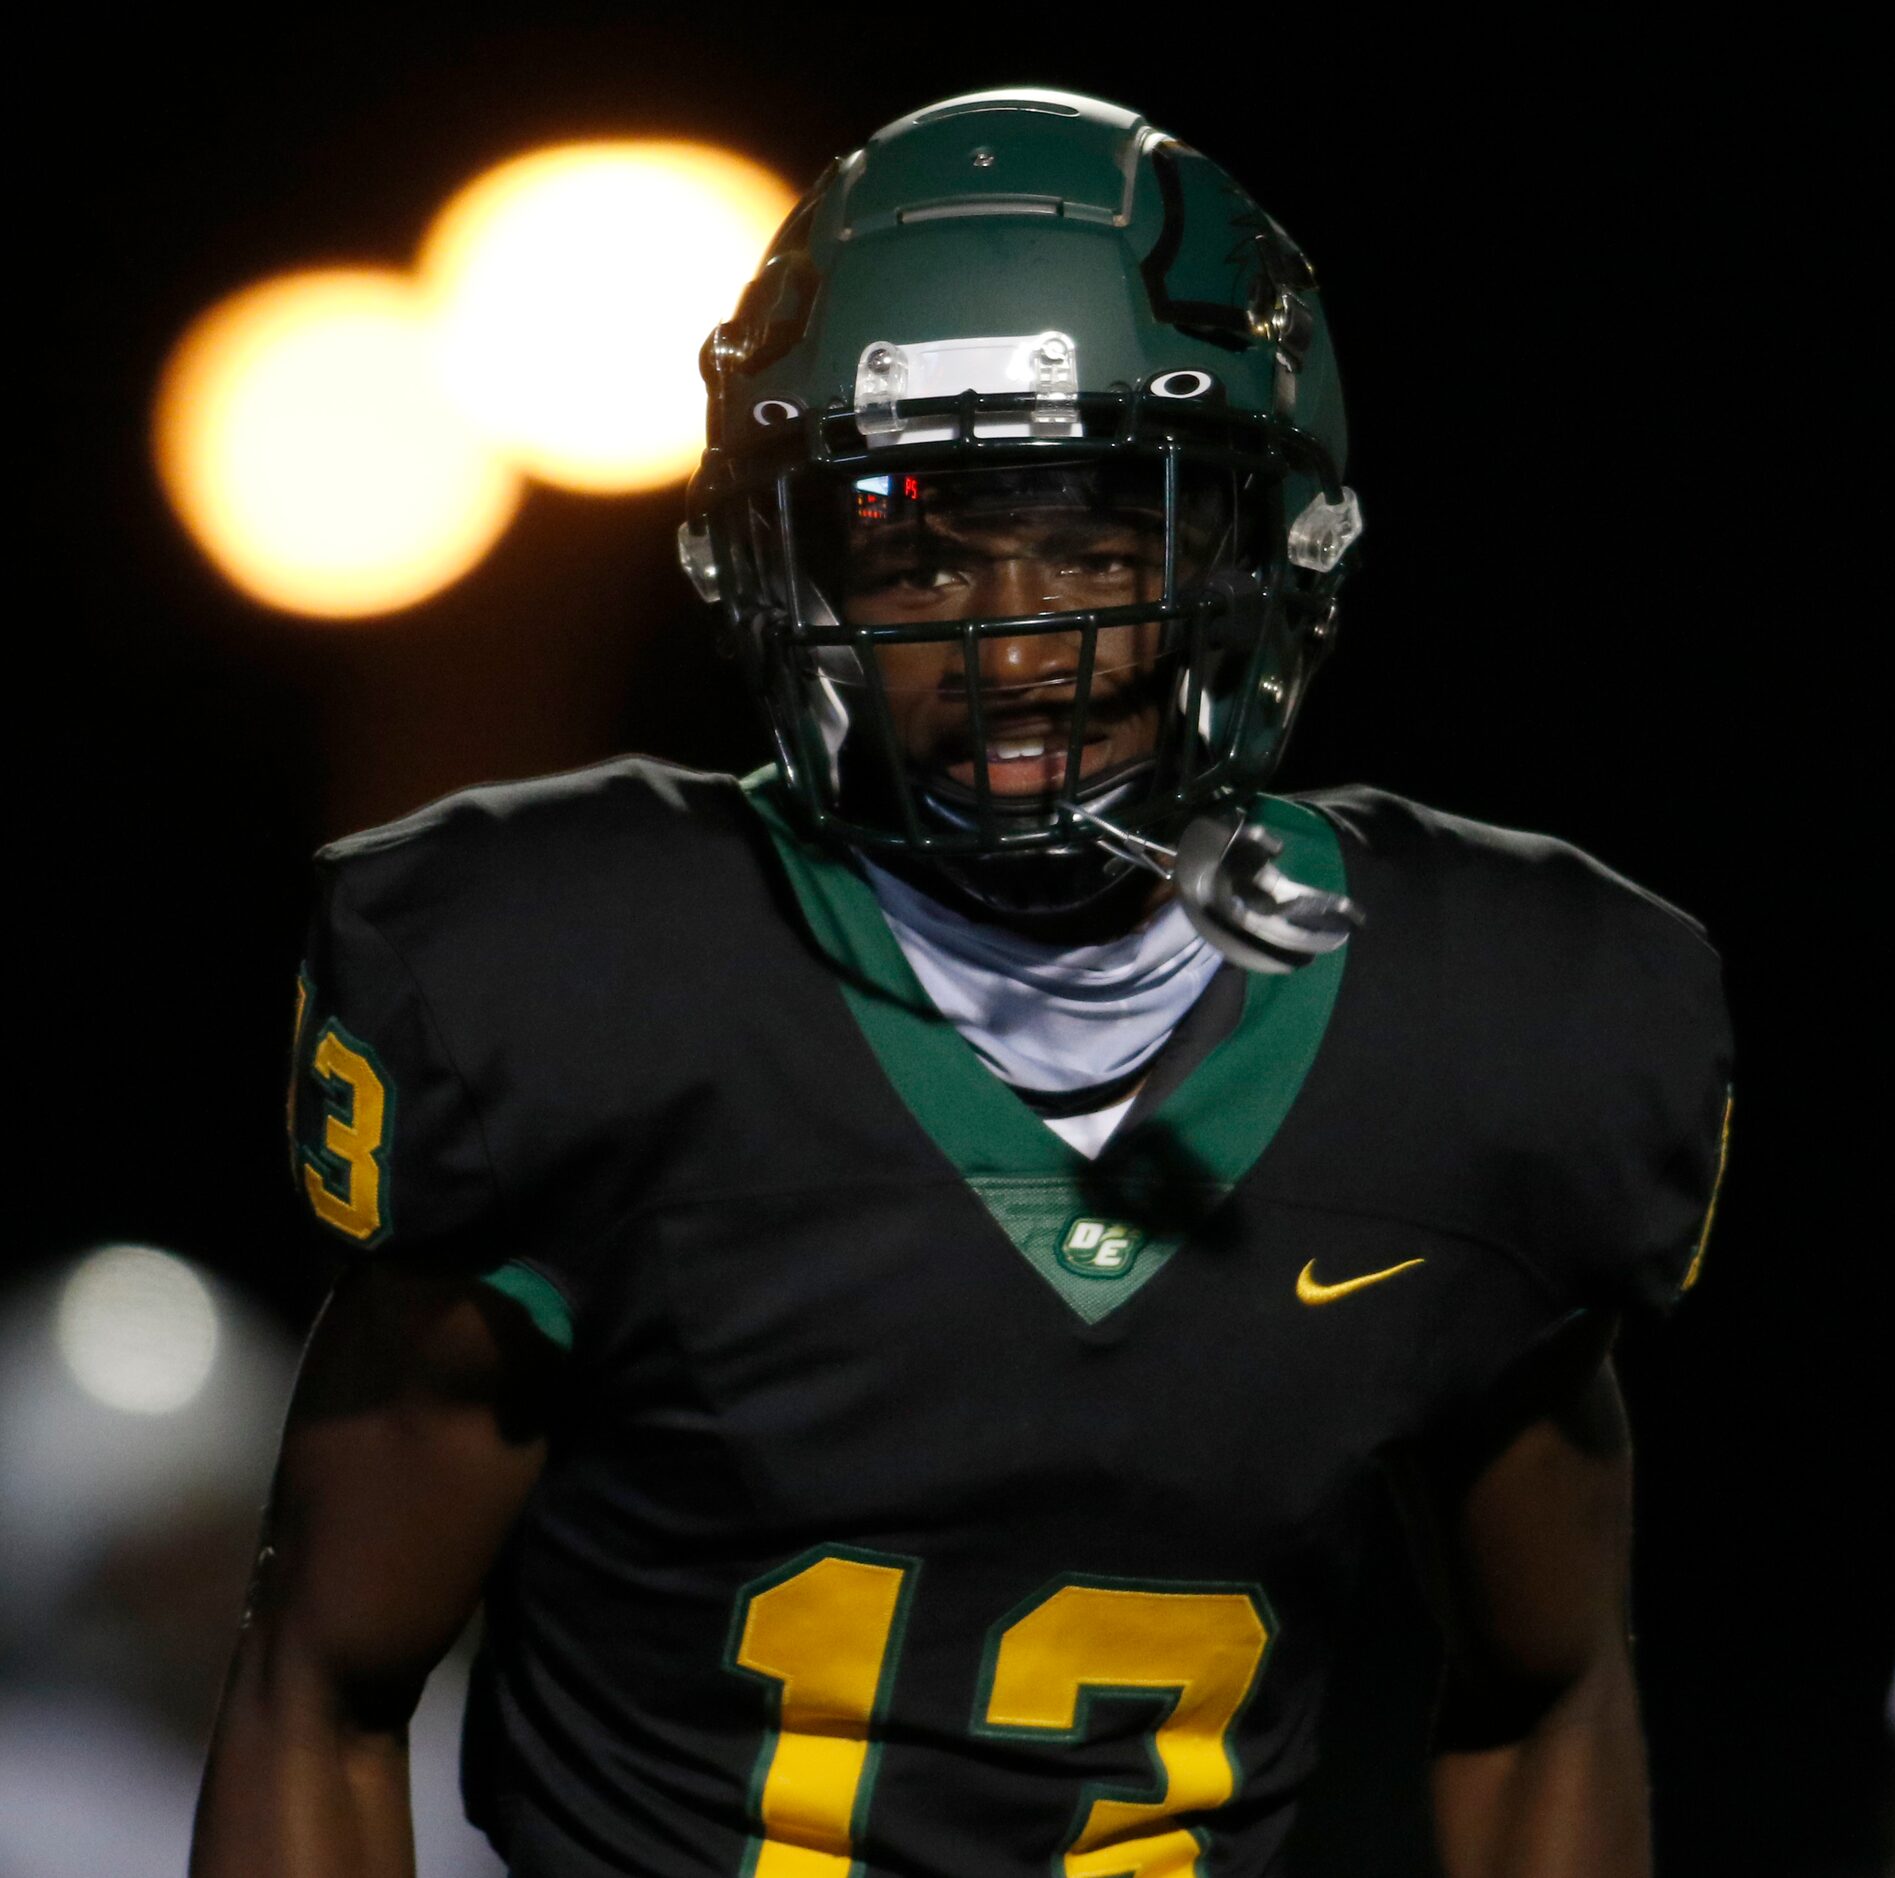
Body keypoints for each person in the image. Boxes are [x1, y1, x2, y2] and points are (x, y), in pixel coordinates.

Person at [191, 88, 1732, 1877]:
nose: (1010, 642)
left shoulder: (1503, 1032)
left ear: (1257, 554)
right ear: (786, 574)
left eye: (1097, 545)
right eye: (915, 553)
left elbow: (1547, 1697)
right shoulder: (574, 985)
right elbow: (323, 1682)